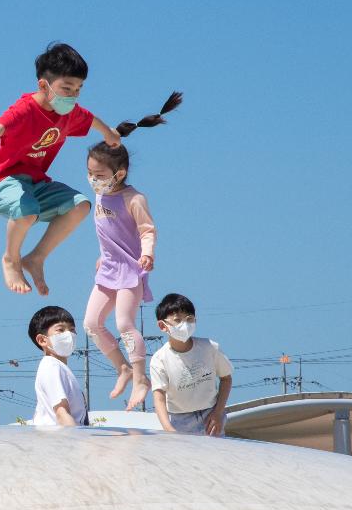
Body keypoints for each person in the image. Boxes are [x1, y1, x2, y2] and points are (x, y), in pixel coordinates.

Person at [0, 42, 120, 297]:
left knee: (80, 205)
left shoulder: (69, 114)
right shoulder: (26, 109)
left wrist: (109, 133)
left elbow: (90, 119)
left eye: (78, 89)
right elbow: (0, 127)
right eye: (66, 89)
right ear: (43, 85)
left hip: (36, 184)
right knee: (26, 212)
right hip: (2, 183)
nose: (72, 96)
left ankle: (35, 258)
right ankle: (11, 260)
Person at [83, 141, 156, 410]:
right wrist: (103, 255)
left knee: (124, 323)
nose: (93, 180)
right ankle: (122, 368)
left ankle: (140, 378)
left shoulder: (133, 199)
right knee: (91, 324)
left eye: (100, 175)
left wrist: (147, 253)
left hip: (130, 270)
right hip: (108, 269)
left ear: (120, 173)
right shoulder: (100, 196)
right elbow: (109, 233)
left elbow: (146, 230)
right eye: (90, 173)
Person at [149, 293, 233, 436]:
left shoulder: (210, 347)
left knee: (215, 457)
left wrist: (218, 413)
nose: (185, 325)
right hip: (179, 419)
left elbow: (226, 378)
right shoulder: (159, 359)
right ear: (162, 326)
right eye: (178, 320)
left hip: (210, 415)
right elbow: (159, 397)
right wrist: (168, 429)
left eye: (189, 319)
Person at [27, 305, 88, 427]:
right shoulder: (52, 367)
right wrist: (79, 442)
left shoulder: (59, 367)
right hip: (60, 442)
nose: (69, 335)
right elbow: (62, 413)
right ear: (42, 340)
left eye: (72, 330)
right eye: (60, 330)